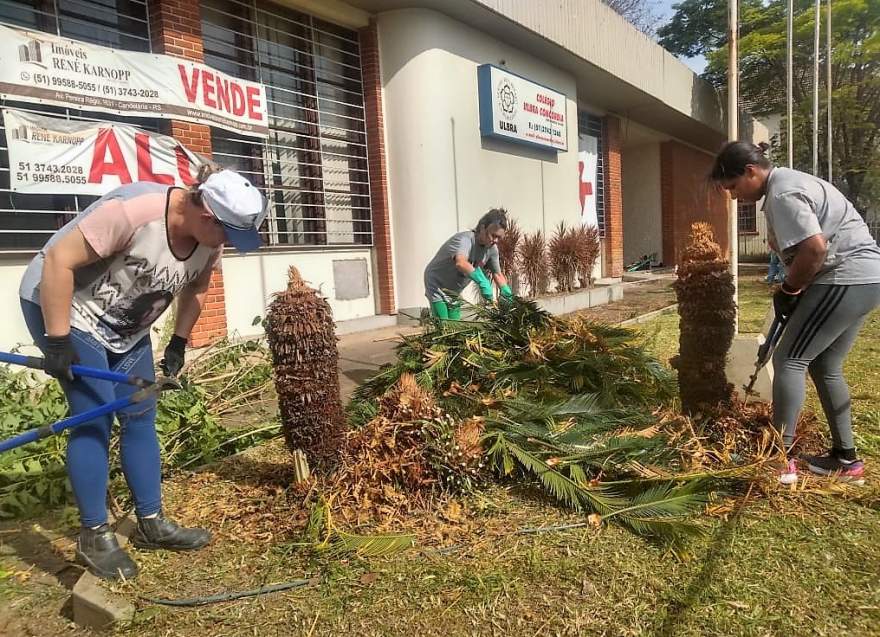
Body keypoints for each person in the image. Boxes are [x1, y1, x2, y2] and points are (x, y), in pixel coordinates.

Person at [18, 164, 267, 579]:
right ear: (207, 214)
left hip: (126, 329)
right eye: (227, 232)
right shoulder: (135, 211)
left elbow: (197, 287)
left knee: (139, 415)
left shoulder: (210, 240)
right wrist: (58, 341)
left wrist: (178, 343)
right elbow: (59, 260)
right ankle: (94, 535)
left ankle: (151, 522)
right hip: (68, 310)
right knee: (94, 416)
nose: (228, 243)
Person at [711, 141, 880, 484]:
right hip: (863, 278)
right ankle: (846, 460)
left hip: (844, 276)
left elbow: (815, 249)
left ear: (750, 171)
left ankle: (778, 460)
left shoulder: (782, 194)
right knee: (824, 363)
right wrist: (793, 289)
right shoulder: (789, 183)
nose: (731, 196)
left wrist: (789, 290)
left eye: (731, 187)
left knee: (789, 360)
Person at [424, 208, 513, 320]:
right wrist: (481, 280)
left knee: (455, 326)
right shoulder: (465, 240)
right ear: (482, 228)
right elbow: (461, 263)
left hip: (454, 290)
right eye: (493, 235)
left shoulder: (492, 250)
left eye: (499, 237)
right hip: (436, 283)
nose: (495, 240)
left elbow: (498, 274)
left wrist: (506, 290)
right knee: (444, 325)